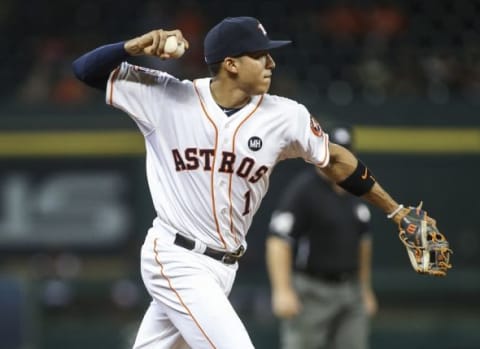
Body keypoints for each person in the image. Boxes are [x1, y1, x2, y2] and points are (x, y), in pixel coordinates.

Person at [72, 16, 423, 349]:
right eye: (259, 55)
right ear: (231, 64)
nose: (271, 63)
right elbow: (84, 70)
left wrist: (394, 210)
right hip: (175, 256)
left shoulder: (286, 116)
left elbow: (335, 160)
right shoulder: (166, 97)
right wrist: (134, 46)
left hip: (224, 268)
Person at [266, 126, 377, 349]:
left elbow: (364, 242)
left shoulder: (357, 189)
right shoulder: (304, 190)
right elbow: (278, 240)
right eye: (332, 152)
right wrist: (282, 290)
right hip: (312, 292)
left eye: (344, 152)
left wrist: (365, 289)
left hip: (350, 291)